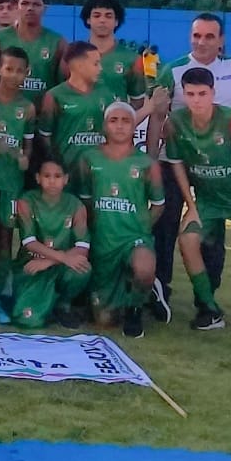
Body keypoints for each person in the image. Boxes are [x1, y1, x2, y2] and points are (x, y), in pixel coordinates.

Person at [148, 13, 231, 314]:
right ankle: (161, 289)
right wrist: (150, 158)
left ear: (221, 40)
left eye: (210, 36)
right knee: (168, 224)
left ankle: (206, 297)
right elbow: (158, 114)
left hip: (220, 162)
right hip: (178, 160)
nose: (202, 42)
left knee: (212, 232)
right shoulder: (173, 70)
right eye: (197, 35)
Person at [165, 67, 231, 335]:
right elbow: (176, 164)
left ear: (213, 93)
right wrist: (192, 205)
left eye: (202, 93)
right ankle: (210, 310)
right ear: (183, 95)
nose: (196, 100)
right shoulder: (175, 122)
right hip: (208, 200)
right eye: (190, 94)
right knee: (187, 239)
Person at [76, 102, 166, 337]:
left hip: (134, 239)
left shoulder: (147, 163)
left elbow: (158, 205)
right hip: (103, 242)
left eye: (126, 121)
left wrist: (142, 229)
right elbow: (85, 201)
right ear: (104, 125)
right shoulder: (89, 158)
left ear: (134, 126)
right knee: (104, 321)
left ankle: (136, 308)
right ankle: (130, 287)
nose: (119, 126)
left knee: (144, 268)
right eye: (113, 120)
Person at [0, 46, 38, 320]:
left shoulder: (26, 107)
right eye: (8, 68)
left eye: (19, 70)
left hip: (11, 182)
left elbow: (28, 150)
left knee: (5, 240)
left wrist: (23, 158)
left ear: (27, 74)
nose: (13, 75)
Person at [12, 159, 91, 330]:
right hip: (31, 266)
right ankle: (43, 305)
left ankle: (63, 305)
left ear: (66, 179)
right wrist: (59, 258)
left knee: (82, 268)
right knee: (28, 321)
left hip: (58, 266)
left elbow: (83, 247)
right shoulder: (26, 201)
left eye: (57, 176)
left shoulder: (76, 205)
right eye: (47, 176)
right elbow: (29, 242)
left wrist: (49, 261)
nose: (52, 181)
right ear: (38, 178)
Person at [38, 42, 111, 174]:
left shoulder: (105, 94)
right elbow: (45, 138)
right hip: (68, 174)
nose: (100, 68)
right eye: (95, 64)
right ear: (79, 66)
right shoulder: (54, 96)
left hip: (98, 173)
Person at [0, 0, 62, 99]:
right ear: (16, 7)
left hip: (42, 112)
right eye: (24, 3)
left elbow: (63, 85)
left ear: (45, 8)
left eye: (36, 4)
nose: (30, 8)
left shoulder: (57, 42)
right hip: (5, 111)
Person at [80, 0, 147, 108]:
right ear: (88, 20)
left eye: (108, 16)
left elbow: (138, 101)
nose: (102, 20)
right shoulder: (73, 55)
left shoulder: (132, 59)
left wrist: (119, 119)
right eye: (96, 16)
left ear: (116, 21)